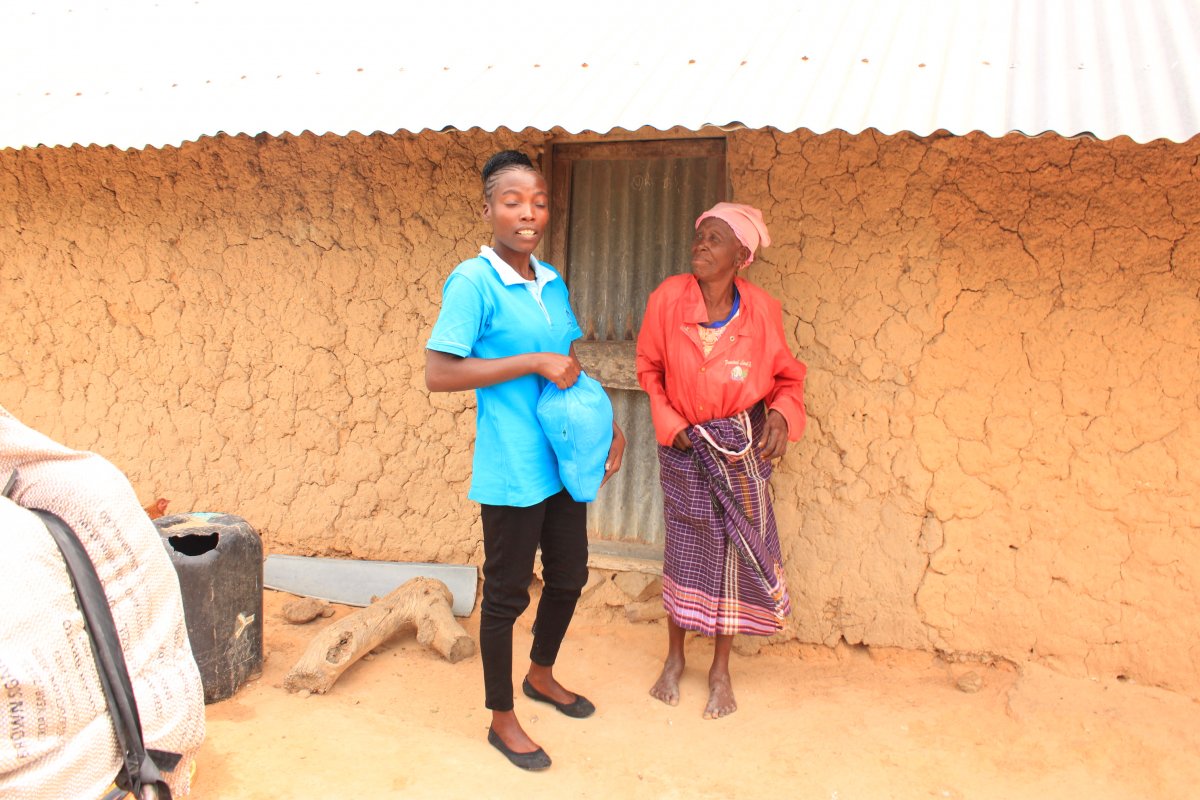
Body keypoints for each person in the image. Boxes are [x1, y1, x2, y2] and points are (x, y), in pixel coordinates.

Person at [424, 150, 626, 770]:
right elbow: (440, 373)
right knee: (507, 593)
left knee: (569, 575)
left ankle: (540, 674)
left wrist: (608, 426)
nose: (528, 213)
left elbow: (569, 361)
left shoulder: (551, 280)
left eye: (538, 202)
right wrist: (532, 363)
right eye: (512, 202)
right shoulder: (472, 282)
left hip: (564, 457)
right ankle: (501, 717)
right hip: (513, 464)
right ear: (488, 209)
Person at [636, 201, 806, 719]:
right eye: (700, 236)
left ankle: (720, 671)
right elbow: (648, 368)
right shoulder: (668, 299)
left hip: (740, 447)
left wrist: (781, 416)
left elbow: (788, 379)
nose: (701, 245)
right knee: (685, 549)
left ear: (741, 257)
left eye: (715, 239)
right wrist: (670, 423)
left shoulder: (762, 310)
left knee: (734, 556)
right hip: (685, 445)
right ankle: (674, 658)